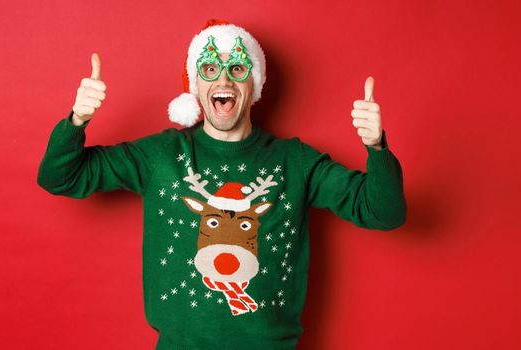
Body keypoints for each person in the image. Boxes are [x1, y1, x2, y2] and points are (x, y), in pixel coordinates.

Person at [37, 19, 406, 350]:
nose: (224, 80)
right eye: (211, 69)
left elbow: (383, 212)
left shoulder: (295, 162)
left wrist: (377, 148)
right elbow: (60, 176)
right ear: (197, 86)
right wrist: (77, 120)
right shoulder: (161, 155)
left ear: (254, 83)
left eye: (237, 68)